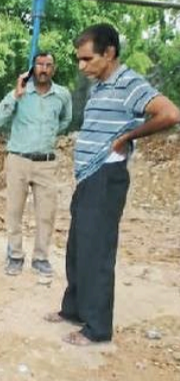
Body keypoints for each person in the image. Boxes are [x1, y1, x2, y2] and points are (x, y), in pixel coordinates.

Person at [46, 24, 180, 346]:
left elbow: (170, 113)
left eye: (87, 59)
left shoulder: (129, 83)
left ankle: (97, 329)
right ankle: (74, 309)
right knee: (78, 248)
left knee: (97, 252)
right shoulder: (100, 85)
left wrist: (128, 137)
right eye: (78, 59)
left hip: (107, 179)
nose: (81, 66)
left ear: (109, 53)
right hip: (89, 176)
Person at [0, 52, 72, 277]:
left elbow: (65, 120)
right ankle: (15, 256)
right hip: (18, 160)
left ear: (53, 69)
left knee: (46, 214)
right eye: (39, 64)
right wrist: (15, 96)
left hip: (46, 163)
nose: (44, 69)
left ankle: (41, 258)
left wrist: (47, 135)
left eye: (48, 65)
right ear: (32, 68)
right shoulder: (20, 93)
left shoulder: (62, 95)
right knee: (14, 212)